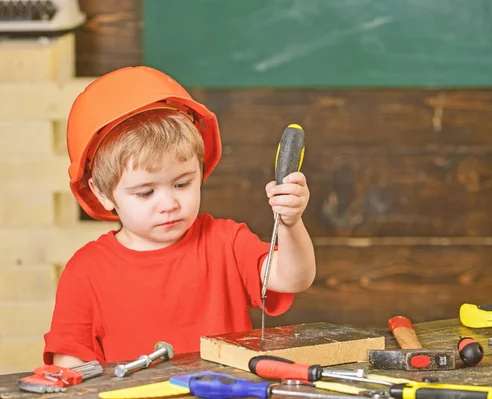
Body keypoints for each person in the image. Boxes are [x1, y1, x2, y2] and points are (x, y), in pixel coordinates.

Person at [42, 66, 316, 367]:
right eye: (145, 192)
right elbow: (68, 370)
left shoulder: (226, 242)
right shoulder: (86, 272)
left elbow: (293, 278)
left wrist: (291, 223)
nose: (168, 203)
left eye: (182, 184)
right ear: (103, 193)